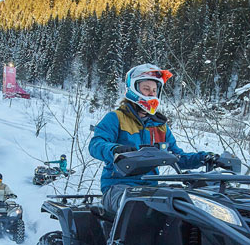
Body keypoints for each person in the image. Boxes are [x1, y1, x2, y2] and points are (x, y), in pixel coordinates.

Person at [89, 64, 210, 217]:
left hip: (150, 188)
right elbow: (96, 144)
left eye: (154, 90)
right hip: (118, 187)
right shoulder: (116, 118)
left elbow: (177, 157)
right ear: (134, 88)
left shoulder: (160, 126)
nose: (151, 93)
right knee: (136, 208)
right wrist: (114, 149)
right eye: (146, 89)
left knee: (189, 206)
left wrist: (204, 158)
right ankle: (117, 242)